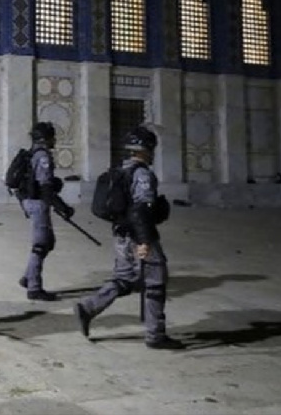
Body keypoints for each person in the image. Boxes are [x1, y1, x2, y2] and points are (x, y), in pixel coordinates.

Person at [74, 126, 184, 350]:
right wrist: (144, 242)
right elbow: (140, 210)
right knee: (156, 280)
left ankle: (88, 307)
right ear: (145, 150)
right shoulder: (142, 174)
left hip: (121, 234)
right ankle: (155, 335)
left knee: (124, 277)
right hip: (138, 235)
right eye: (151, 149)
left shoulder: (120, 169)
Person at [17, 121, 73, 301]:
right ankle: (34, 288)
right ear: (45, 138)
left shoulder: (32, 153)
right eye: (52, 136)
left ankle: (28, 277)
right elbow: (46, 187)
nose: (54, 139)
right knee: (40, 244)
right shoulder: (42, 156)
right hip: (37, 203)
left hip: (30, 201)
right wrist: (63, 207)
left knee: (48, 241)